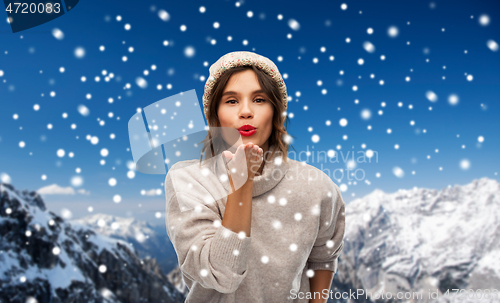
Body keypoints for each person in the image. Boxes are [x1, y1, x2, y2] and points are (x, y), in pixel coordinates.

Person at [164, 51, 346, 303]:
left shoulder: (317, 185)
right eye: (231, 101)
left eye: (259, 99)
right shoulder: (189, 180)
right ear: (214, 116)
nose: (246, 111)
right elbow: (222, 276)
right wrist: (241, 184)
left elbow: (323, 258)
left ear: (276, 112)